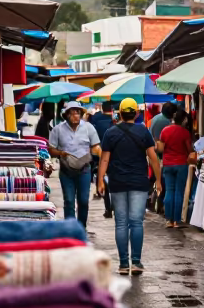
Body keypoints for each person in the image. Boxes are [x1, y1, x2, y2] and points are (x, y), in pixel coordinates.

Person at [97, 98, 163, 276]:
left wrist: (100, 180)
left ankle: (123, 264)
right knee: (136, 222)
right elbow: (153, 158)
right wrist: (158, 180)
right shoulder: (143, 131)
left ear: (119, 113)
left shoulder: (110, 133)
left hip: (117, 182)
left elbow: (104, 159)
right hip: (138, 182)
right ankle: (136, 262)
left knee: (120, 223)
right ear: (137, 113)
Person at [47, 100, 102, 228]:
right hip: (66, 171)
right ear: (66, 115)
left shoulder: (89, 128)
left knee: (83, 201)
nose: (75, 115)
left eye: (78, 113)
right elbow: (51, 149)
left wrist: (97, 153)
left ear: (81, 114)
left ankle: (81, 227)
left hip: (84, 170)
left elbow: (95, 146)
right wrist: (61, 153)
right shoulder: (58, 129)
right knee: (69, 201)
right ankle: (71, 229)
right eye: (72, 113)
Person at [157, 108, 194, 228]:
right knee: (179, 192)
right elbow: (189, 150)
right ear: (183, 120)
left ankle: (168, 220)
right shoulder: (185, 132)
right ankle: (176, 221)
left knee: (169, 191)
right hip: (181, 164)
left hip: (168, 164)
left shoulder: (165, 131)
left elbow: (161, 149)